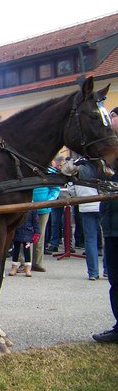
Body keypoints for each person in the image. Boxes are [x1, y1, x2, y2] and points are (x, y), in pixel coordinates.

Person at [93, 107, 118, 343]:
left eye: (112, 117)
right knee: (116, 279)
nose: (109, 121)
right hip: (111, 223)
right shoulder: (109, 152)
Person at [67, 158, 103, 280]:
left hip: (86, 207)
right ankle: (108, 270)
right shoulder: (100, 168)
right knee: (106, 238)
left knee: (90, 239)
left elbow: (72, 192)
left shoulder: (76, 172)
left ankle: (93, 272)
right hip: (102, 205)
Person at [31, 165, 61, 272]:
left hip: (44, 208)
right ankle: (25, 262)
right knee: (25, 236)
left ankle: (37, 263)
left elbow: (56, 188)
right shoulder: (29, 167)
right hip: (28, 207)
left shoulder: (50, 171)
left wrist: (49, 201)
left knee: (40, 235)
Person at [8, 209, 40, 277]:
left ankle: (27, 268)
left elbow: (35, 221)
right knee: (16, 250)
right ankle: (14, 267)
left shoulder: (32, 209)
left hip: (28, 232)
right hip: (17, 231)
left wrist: (37, 232)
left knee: (27, 251)